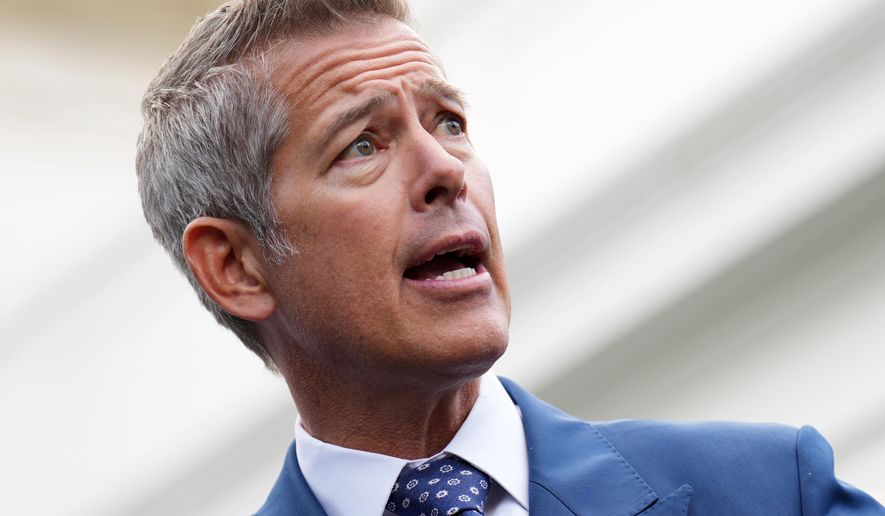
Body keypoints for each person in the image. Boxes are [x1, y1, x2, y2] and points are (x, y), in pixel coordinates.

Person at [136, 1, 884, 514]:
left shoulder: (770, 492)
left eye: (449, 123)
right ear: (234, 266)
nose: (444, 170)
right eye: (361, 145)